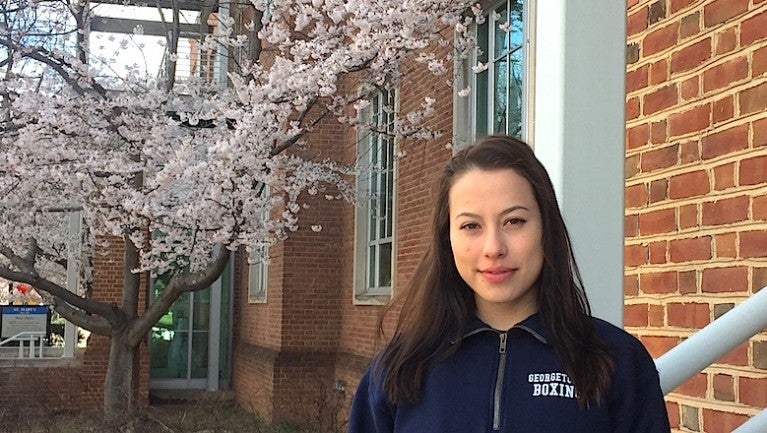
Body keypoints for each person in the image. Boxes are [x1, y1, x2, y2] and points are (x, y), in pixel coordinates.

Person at [347, 135, 670, 433]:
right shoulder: (399, 367)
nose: (493, 247)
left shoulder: (616, 359)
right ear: (448, 239)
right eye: (471, 225)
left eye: (514, 221)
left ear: (546, 228)